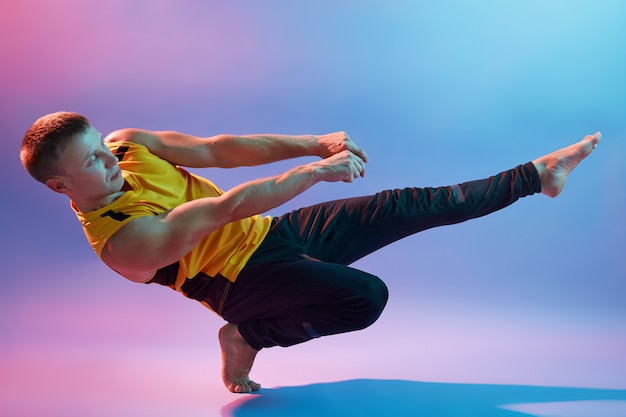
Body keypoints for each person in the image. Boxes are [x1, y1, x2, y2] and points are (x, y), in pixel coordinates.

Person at [20, 111, 601, 393]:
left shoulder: (127, 145)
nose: (109, 160)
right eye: (92, 162)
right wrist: (315, 171)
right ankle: (245, 335)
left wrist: (313, 142)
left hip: (270, 236)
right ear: (60, 187)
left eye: (102, 147)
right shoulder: (119, 244)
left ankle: (537, 175)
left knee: (406, 203)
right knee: (365, 298)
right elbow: (222, 210)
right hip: (235, 281)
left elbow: (220, 150)